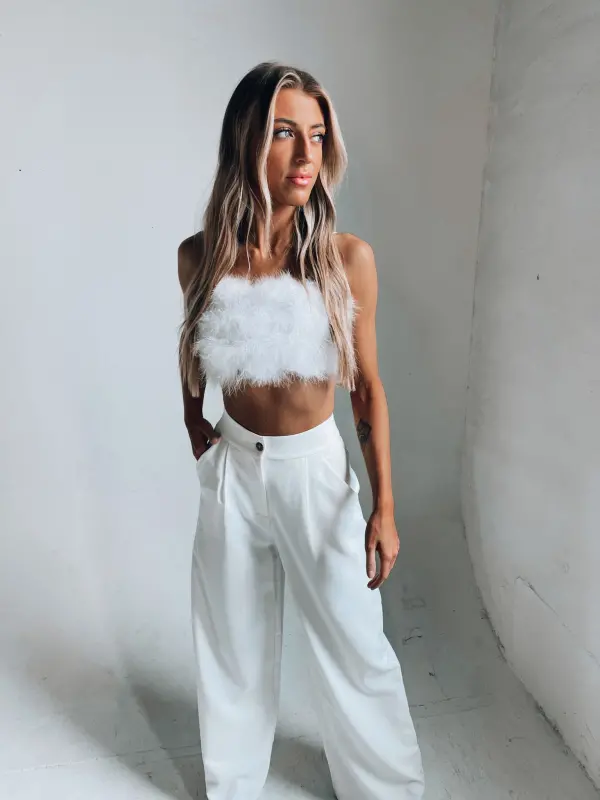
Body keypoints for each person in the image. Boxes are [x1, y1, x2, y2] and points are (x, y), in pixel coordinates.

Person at [177, 61, 425, 800]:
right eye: (285, 133)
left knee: (354, 640)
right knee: (231, 640)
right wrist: (193, 418)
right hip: (234, 471)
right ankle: (233, 785)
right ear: (247, 141)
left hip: (313, 471)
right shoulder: (201, 257)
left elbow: (368, 389)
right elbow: (193, 344)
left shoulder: (346, 261)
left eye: (316, 135)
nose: (306, 153)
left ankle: (387, 789)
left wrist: (383, 507)